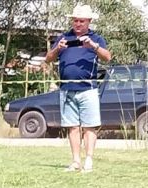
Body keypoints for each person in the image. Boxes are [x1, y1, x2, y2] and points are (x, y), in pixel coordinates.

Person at [44, 4, 112, 173]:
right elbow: (48, 59)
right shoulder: (63, 38)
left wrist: (93, 47)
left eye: (82, 21)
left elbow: (108, 57)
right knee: (72, 126)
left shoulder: (96, 38)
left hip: (88, 89)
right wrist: (58, 48)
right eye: (75, 21)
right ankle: (75, 161)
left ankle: (88, 160)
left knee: (90, 126)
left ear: (89, 21)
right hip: (67, 89)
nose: (78, 24)